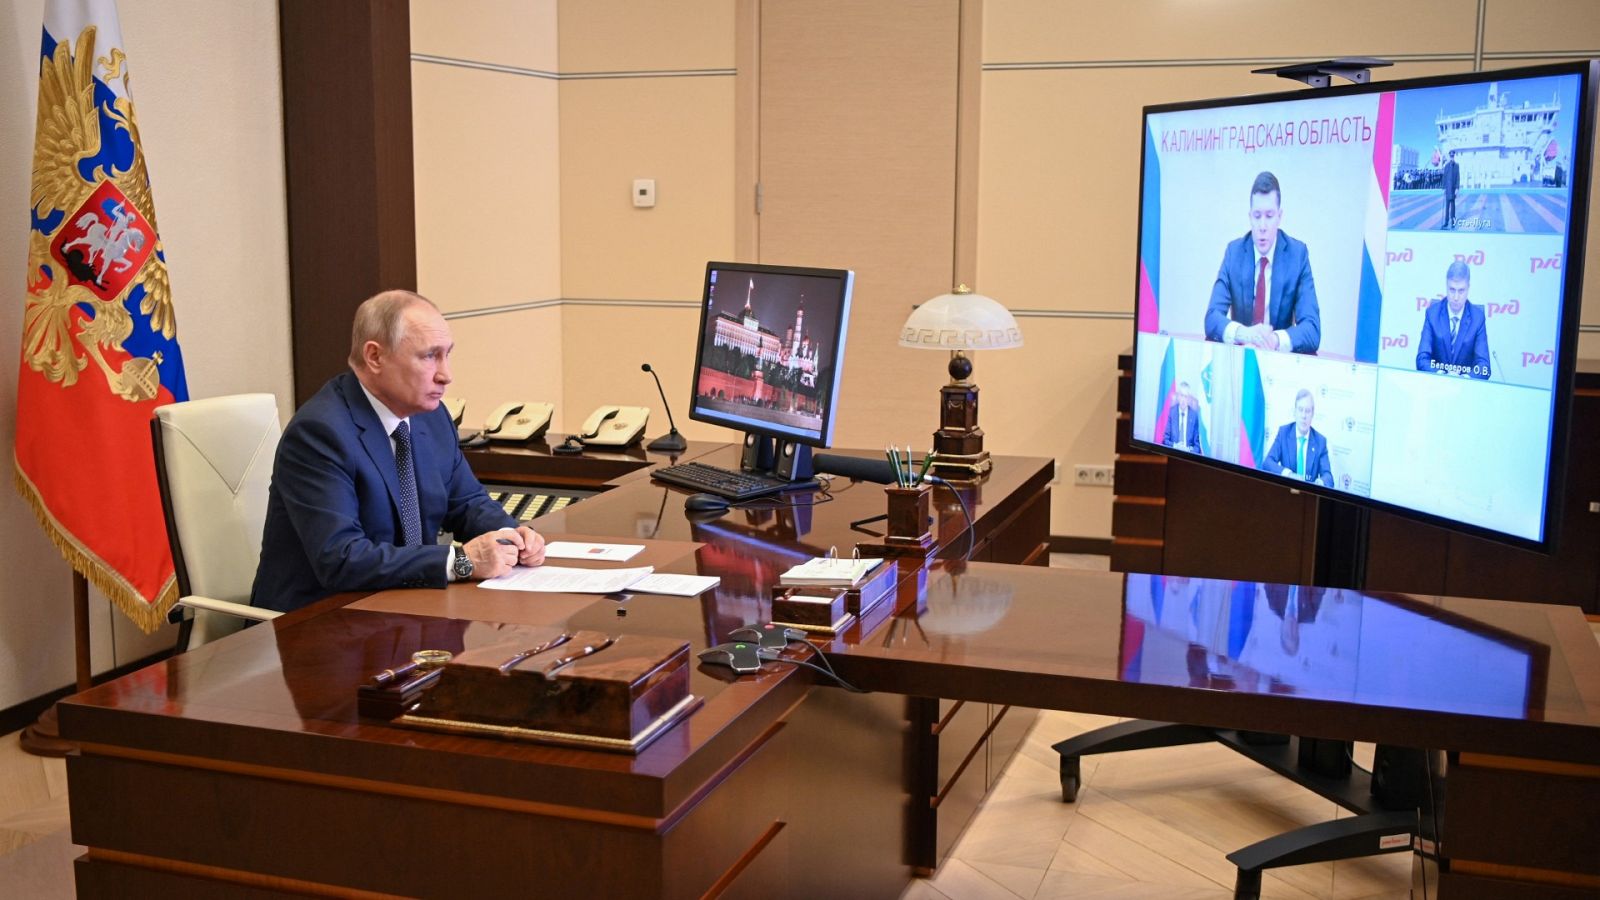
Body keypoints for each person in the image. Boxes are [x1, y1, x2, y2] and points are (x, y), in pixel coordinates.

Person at [251, 290, 547, 613]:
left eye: (447, 355)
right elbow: (341, 558)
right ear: (374, 357)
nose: (446, 375)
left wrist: (512, 536)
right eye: (429, 356)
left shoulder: (431, 417)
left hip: (406, 612)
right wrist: (461, 561)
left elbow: (467, 502)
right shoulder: (320, 433)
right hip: (320, 624)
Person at [1203, 172, 1321, 354]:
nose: (1262, 226)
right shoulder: (1234, 253)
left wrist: (1274, 340)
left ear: (1280, 216)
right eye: (1257, 216)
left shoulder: (1297, 256)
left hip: (1280, 367)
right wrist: (1246, 334)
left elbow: (1312, 330)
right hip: (1240, 363)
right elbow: (1212, 318)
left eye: (1269, 215)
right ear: (1250, 216)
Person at [1415, 260, 1490, 379]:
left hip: (1467, 389)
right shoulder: (1432, 314)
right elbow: (1422, 359)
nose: (1456, 297)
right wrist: (1442, 375)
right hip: (1436, 385)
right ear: (1446, 286)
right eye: (1452, 290)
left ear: (1468, 288)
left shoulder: (1477, 318)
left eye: (1461, 291)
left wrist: (1465, 378)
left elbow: (1484, 366)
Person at [1261, 388, 1333, 487]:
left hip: (1309, 495)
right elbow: (1267, 463)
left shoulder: (1320, 441)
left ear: (1312, 414)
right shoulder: (1284, 433)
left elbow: (1328, 476)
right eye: (1300, 410)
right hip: (1286, 492)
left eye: (1307, 411)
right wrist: (1289, 474)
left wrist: (1321, 482)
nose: (1304, 415)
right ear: (1294, 412)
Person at [1162, 381, 1201, 453]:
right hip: (1173, 452)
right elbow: (1165, 440)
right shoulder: (1171, 412)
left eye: (1185, 396)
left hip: (1188, 456)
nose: (1183, 400)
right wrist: (1175, 446)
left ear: (1189, 398)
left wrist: (1188, 450)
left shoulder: (1194, 415)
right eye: (1181, 395)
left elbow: (1198, 446)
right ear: (1178, 397)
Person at [1442, 150, 1460, 229]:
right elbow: (1444, 177)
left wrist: (1457, 188)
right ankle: (1446, 221)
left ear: (1454, 156)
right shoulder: (1446, 166)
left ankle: (1453, 222)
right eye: (1451, 156)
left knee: (1453, 206)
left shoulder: (1456, 165)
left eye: (1453, 156)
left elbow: (1458, 178)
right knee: (1447, 206)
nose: (1452, 157)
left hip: (1453, 189)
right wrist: (1443, 188)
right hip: (1447, 188)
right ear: (1449, 156)